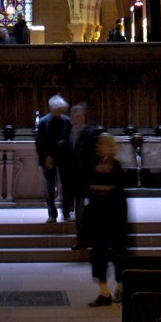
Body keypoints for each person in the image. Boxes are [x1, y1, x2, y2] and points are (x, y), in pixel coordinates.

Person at [81, 133, 129, 306]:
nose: (98, 146)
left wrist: (102, 189)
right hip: (98, 217)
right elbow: (86, 186)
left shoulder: (116, 167)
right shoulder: (94, 165)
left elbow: (119, 190)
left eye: (102, 143)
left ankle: (120, 287)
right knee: (98, 255)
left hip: (114, 216)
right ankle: (104, 292)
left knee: (119, 254)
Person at [35, 94, 73, 223]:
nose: (58, 111)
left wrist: (63, 143)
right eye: (56, 109)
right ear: (51, 108)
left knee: (67, 186)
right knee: (49, 187)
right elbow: (39, 143)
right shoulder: (43, 122)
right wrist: (45, 156)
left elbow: (70, 139)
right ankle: (52, 214)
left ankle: (67, 213)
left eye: (60, 109)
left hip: (64, 158)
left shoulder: (67, 121)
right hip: (48, 159)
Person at [67, 101, 101, 238]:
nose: (79, 119)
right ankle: (80, 236)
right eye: (76, 116)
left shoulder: (89, 133)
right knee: (79, 207)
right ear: (72, 118)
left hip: (88, 175)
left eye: (81, 116)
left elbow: (94, 155)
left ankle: (89, 234)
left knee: (90, 206)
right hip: (75, 177)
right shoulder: (69, 133)